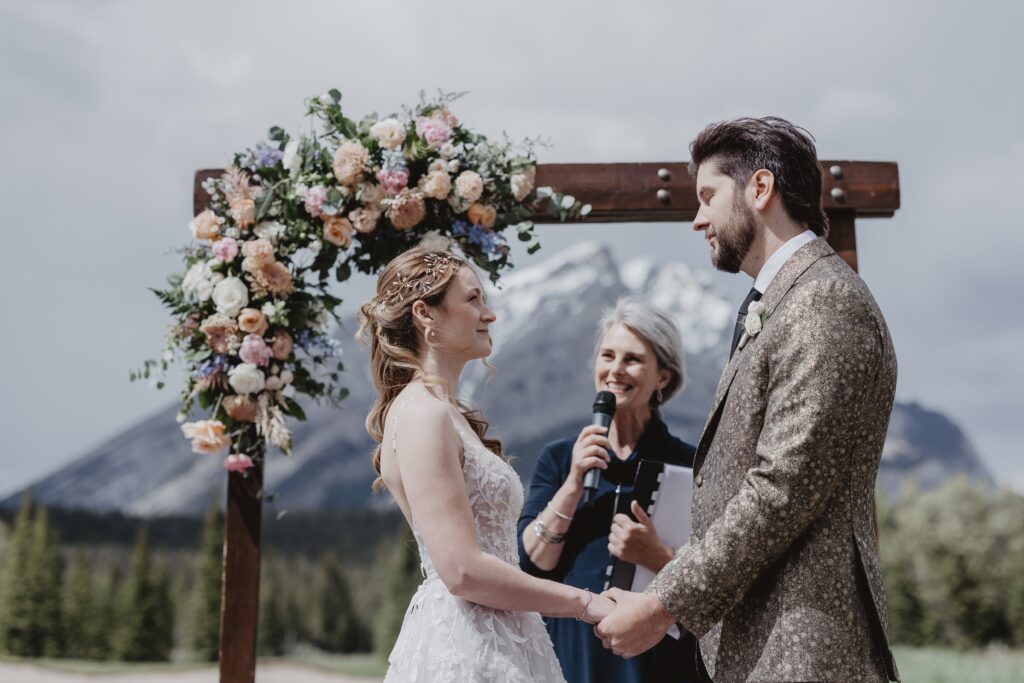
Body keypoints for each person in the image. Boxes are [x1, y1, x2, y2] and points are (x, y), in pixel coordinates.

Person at [595, 117, 901, 683]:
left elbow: (780, 489)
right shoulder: (788, 301)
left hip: (804, 651)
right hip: (767, 646)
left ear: (760, 189)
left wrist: (662, 604)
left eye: (708, 196)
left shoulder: (824, 303)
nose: (697, 219)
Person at [357, 248, 614, 683]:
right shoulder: (424, 414)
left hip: (504, 631)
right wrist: (585, 603)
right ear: (426, 314)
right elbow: (460, 570)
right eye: (473, 299)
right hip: (468, 644)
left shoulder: (446, 411)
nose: (489, 315)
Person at [518, 296, 698, 683]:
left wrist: (657, 556)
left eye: (631, 359)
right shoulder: (559, 456)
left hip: (653, 654)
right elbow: (533, 562)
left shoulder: (690, 464)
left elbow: (717, 573)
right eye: (607, 356)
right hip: (568, 646)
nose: (614, 370)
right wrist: (572, 483)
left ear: (663, 377)